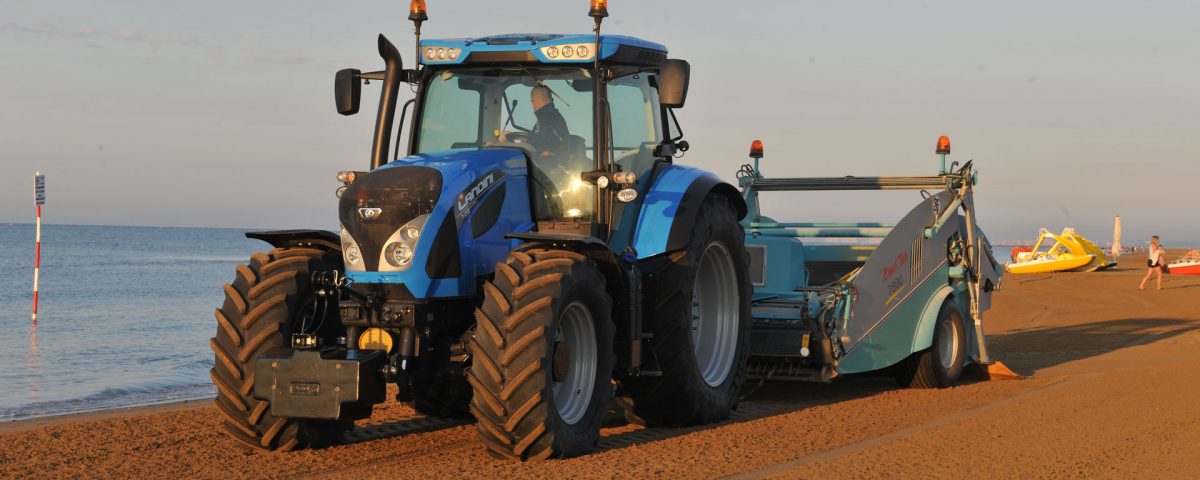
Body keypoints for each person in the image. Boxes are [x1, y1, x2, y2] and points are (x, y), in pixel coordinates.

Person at [501, 85, 570, 158]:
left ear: (533, 101)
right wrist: (523, 139)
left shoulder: (550, 117)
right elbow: (540, 141)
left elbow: (556, 145)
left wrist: (503, 144)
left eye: (531, 101)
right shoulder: (546, 117)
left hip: (547, 166)